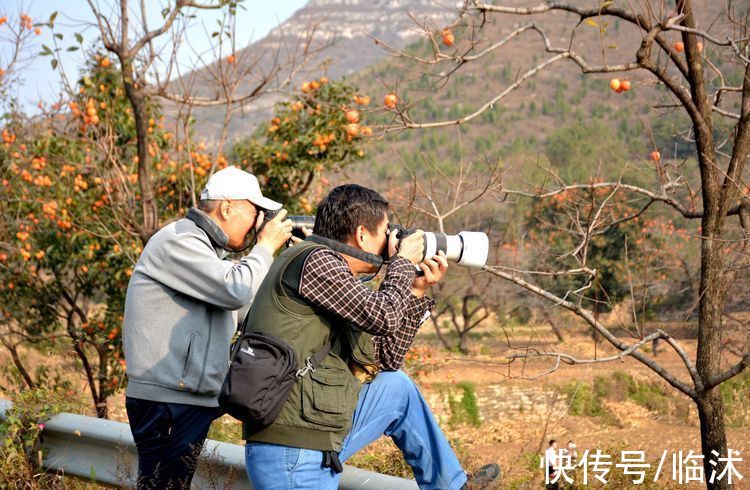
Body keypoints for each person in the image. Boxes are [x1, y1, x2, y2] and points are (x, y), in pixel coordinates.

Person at [242, 184, 500, 489]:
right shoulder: (315, 261)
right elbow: (384, 316)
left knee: (396, 387)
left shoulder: (334, 277)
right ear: (362, 234)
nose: (390, 241)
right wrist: (402, 262)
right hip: (292, 450)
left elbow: (384, 358)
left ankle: (452, 486)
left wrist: (415, 292)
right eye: (386, 231)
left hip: (313, 433)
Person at [122, 166, 293, 489]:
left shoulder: (209, 254)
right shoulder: (179, 241)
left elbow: (246, 306)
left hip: (187, 398)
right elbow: (235, 290)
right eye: (255, 212)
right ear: (227, 207)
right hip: (168, 401)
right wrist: (264, 247)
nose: (258, 223)